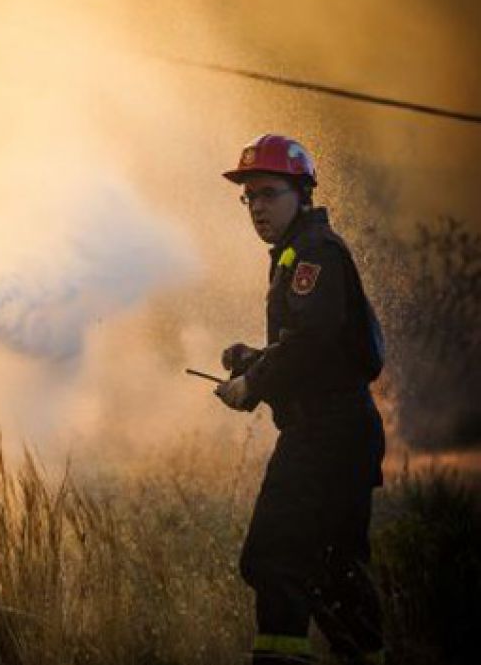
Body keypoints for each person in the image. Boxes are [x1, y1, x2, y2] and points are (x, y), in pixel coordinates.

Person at [216, 134, 387, 665]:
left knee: (274, 557)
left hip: (325, 435)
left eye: (269, 193)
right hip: (341, 430)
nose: (258, 207)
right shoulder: (299, 250)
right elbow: (316, 344)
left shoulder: (314, 251)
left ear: (303, 193)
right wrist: (256, 358)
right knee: (335, 569)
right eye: (250, 197)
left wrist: (254, 383)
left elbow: (311, 341)